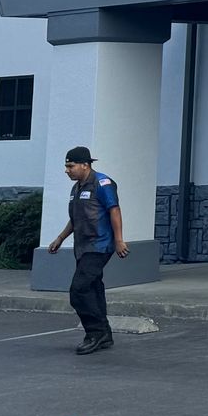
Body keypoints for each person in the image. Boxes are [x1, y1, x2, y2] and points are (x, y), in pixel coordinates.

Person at [46, 146, 129, 355]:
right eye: (66, 166)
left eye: (70, 166)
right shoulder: (76, 188)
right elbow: (75, 219)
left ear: (85, 165)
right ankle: (104, 334)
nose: (67, 170)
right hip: (82, 246)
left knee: (79, 290)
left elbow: (114, 210)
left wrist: (119, 240)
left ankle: (95, 333)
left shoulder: (102, 183)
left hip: (99, 245)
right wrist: (60, 238)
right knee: (93, 288)